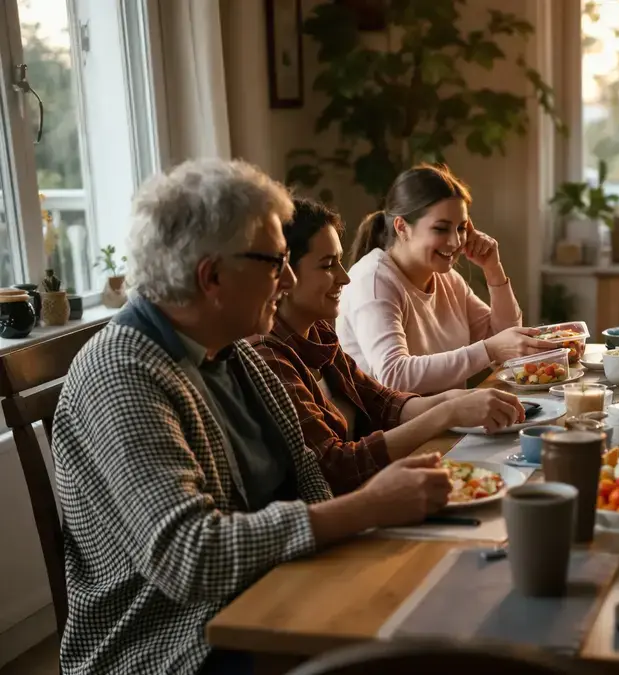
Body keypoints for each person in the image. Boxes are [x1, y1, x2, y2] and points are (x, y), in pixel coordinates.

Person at [52, 160, 454, 675]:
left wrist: (368, 524)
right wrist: (367, 507)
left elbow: (308, 476)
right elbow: (190, 556)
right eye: (274, 262)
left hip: (276, 589)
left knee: (438, 599)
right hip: (177, 645)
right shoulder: (122, 374)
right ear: (212, 276)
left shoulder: (233, 351)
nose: (288, 279)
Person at [252, 198, 527, 495]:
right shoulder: (268, 357)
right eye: (328, 265)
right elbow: (337, 468)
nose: (345, 277)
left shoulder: (317, 333)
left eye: (461, 228)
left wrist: (456, 400)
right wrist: (448, 413)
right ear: (283, 275)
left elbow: (384, 404)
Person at [337, 164, 555, 394]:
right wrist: (488, 350)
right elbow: (394, 375)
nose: (455, 241)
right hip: (397, 418)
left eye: (461, 228)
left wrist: (493, 269)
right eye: (441, 229)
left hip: (450, 413)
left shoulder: (448, 279)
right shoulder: (373, 280)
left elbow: (507, 344)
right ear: (402, 228)